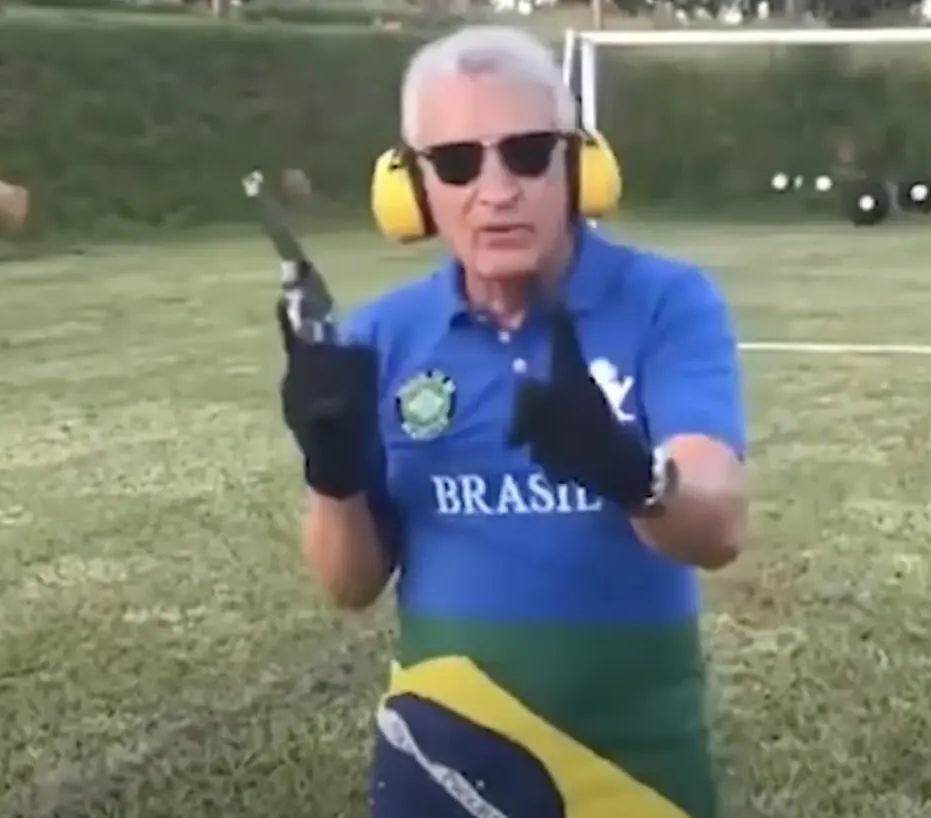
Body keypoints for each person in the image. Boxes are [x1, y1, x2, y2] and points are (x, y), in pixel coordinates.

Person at [277, 24, 747, 818]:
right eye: (458, 163)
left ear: (576, 166)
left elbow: (719, 527)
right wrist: (332, 475)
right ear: (414, 188)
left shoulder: (667, 301)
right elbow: (350, 586)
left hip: (633, 761)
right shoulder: (380, 337)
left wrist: (632, 475)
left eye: (528, 153)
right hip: (440, 758)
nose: (497, 190)